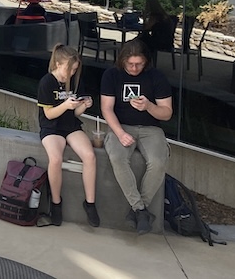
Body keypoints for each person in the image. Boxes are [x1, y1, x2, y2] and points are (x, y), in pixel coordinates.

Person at [100, 39, 172, 235]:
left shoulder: (156, 77)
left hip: (151, 128)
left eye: (138, 64)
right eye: (130, 64)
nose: (134, 68)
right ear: (122, 61)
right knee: (117, 157)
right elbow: (106, 109)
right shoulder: (112, 75)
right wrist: (120, 133)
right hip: (121, 125)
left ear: (146, 62)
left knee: (158, 161)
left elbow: (167, 113)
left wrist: (149, 106)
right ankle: (141, 210)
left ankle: (138, 210)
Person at [37, 44, 99, 227]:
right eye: (69, 68)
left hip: (70, 125)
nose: (72, 73)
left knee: (89, 156)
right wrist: (65, 105)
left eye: (74, 69)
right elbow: (48, 114)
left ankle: (90, 203)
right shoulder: (46, 82)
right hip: (51, 126)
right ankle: (56, 203)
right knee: (55, 159)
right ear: (57, 64)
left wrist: (84, 105)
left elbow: (75, 113)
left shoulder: (75, 81)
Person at [137, 0, 173, 64]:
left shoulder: (155, 16)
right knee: (141, 38)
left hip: (159, 42)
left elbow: (146, 28)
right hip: (167, 42)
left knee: (139, 40)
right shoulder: (164, 16)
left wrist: (145, 17)